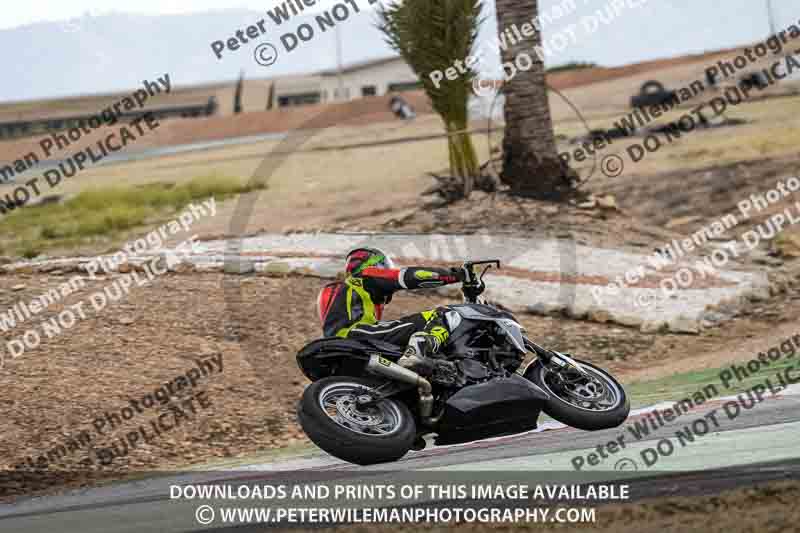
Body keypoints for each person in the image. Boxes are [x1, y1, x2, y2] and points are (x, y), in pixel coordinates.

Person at [317, 247, 468, 376]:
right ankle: (417, 352)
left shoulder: (342, 291)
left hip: (343, 347)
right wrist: (455, 275)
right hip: (358, 335)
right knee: (445, 314)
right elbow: (408, 276)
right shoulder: (365, 277)